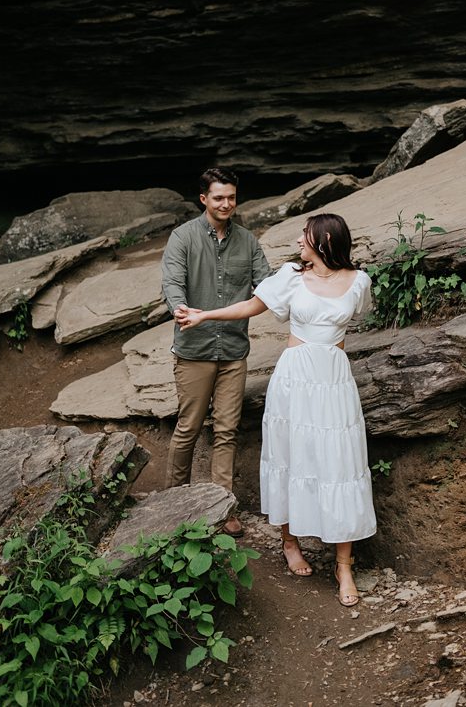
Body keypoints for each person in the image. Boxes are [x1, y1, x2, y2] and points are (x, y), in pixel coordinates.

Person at [176, 212, 376, 607]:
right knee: (290, 456)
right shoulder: (290, 276)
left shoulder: (359, 281)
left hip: (334, 382)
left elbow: (359, 316)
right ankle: (289, 542)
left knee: (341, 464)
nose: (299, 242)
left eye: (305, 236)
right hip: (294, 381)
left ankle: (344, 565)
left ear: (324, 241)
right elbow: (251, 307)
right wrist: (204, 315)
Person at [161, 167, 271, 537]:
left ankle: (222, 509)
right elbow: (173, 283)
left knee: (226, 430)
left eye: (232, 197)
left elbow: (267, 287)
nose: (227, 204)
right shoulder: (183, 238)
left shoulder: (248, 242)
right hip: (194, 350)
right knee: (189, 427)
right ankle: (173, 501)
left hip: (234, 351)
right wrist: (180, 308)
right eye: (219, 197)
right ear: (204, 199)